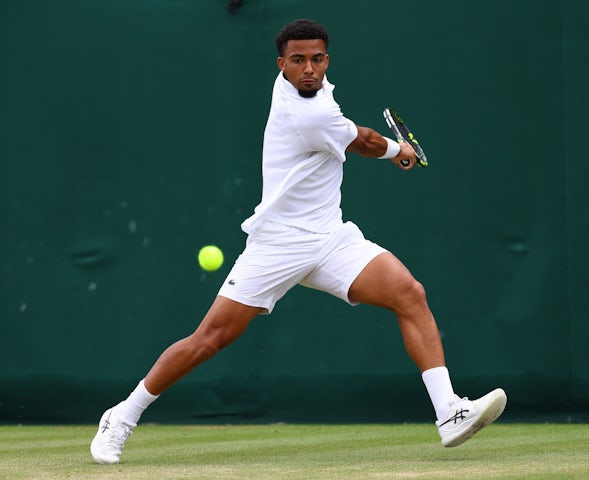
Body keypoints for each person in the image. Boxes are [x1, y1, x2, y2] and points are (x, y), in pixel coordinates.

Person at [90, 18, 506, 465]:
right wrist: (397, 149)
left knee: (409, 293)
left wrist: (386, 146)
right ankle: (121, 416)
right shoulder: (308, 113)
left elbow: (351, 131)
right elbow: (362, 141)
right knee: (211, 338)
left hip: (330, 238)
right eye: (297, 60)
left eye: (317, 58)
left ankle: (449, 412)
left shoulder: (314, 92)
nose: (309, 68)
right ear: (281, 64)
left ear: (327, 59)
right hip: (279, 244)